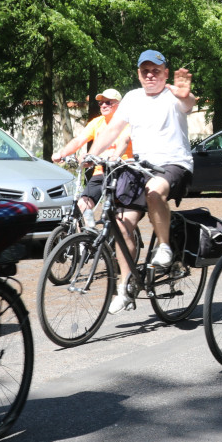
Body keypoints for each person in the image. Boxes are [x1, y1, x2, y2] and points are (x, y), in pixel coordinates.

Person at [85, 50, 196, 314]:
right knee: (122, 224)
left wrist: (186, 96)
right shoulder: (133, 99)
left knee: (154, 192)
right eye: (144, 70)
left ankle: (166, 248)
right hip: (140, 166)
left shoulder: (173, 95)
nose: (150, 75)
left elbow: (188, 104)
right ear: (138, 73)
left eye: (156, 70)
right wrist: (91, 154)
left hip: (173, 164)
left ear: (165, 73)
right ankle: (127, 284)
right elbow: (112, 130)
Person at [51, 88, 132, 228]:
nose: (103, 106)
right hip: (101, 173)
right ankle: (88, 239)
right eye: (101, 103)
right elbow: (79, 140)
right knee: (82, 205)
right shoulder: (97, 122)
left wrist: (99, 156)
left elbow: (122, 145)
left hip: (122, 172)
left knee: (119, 215)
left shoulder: (126, 123)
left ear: (119, 104)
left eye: (108, 102)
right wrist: (61, 154)